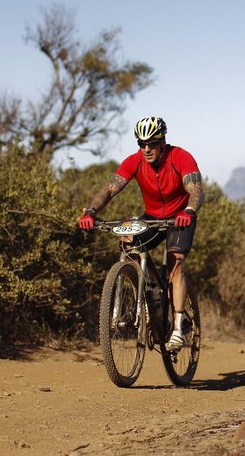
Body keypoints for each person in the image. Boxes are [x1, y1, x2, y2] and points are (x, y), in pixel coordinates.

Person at [78, 116, 204, 352]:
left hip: (180, 217)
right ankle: (150, 295)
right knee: (127, 239)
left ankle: (178, 325)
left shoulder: (180, 157)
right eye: (141, 143)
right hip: (154, 216)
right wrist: (91, 211)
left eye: (152, 143)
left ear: (163, 142)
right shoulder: (135, 161)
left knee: (176, 263)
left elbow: (196, 190)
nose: (146, 149)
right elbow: (110, 189)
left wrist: (189, 210)